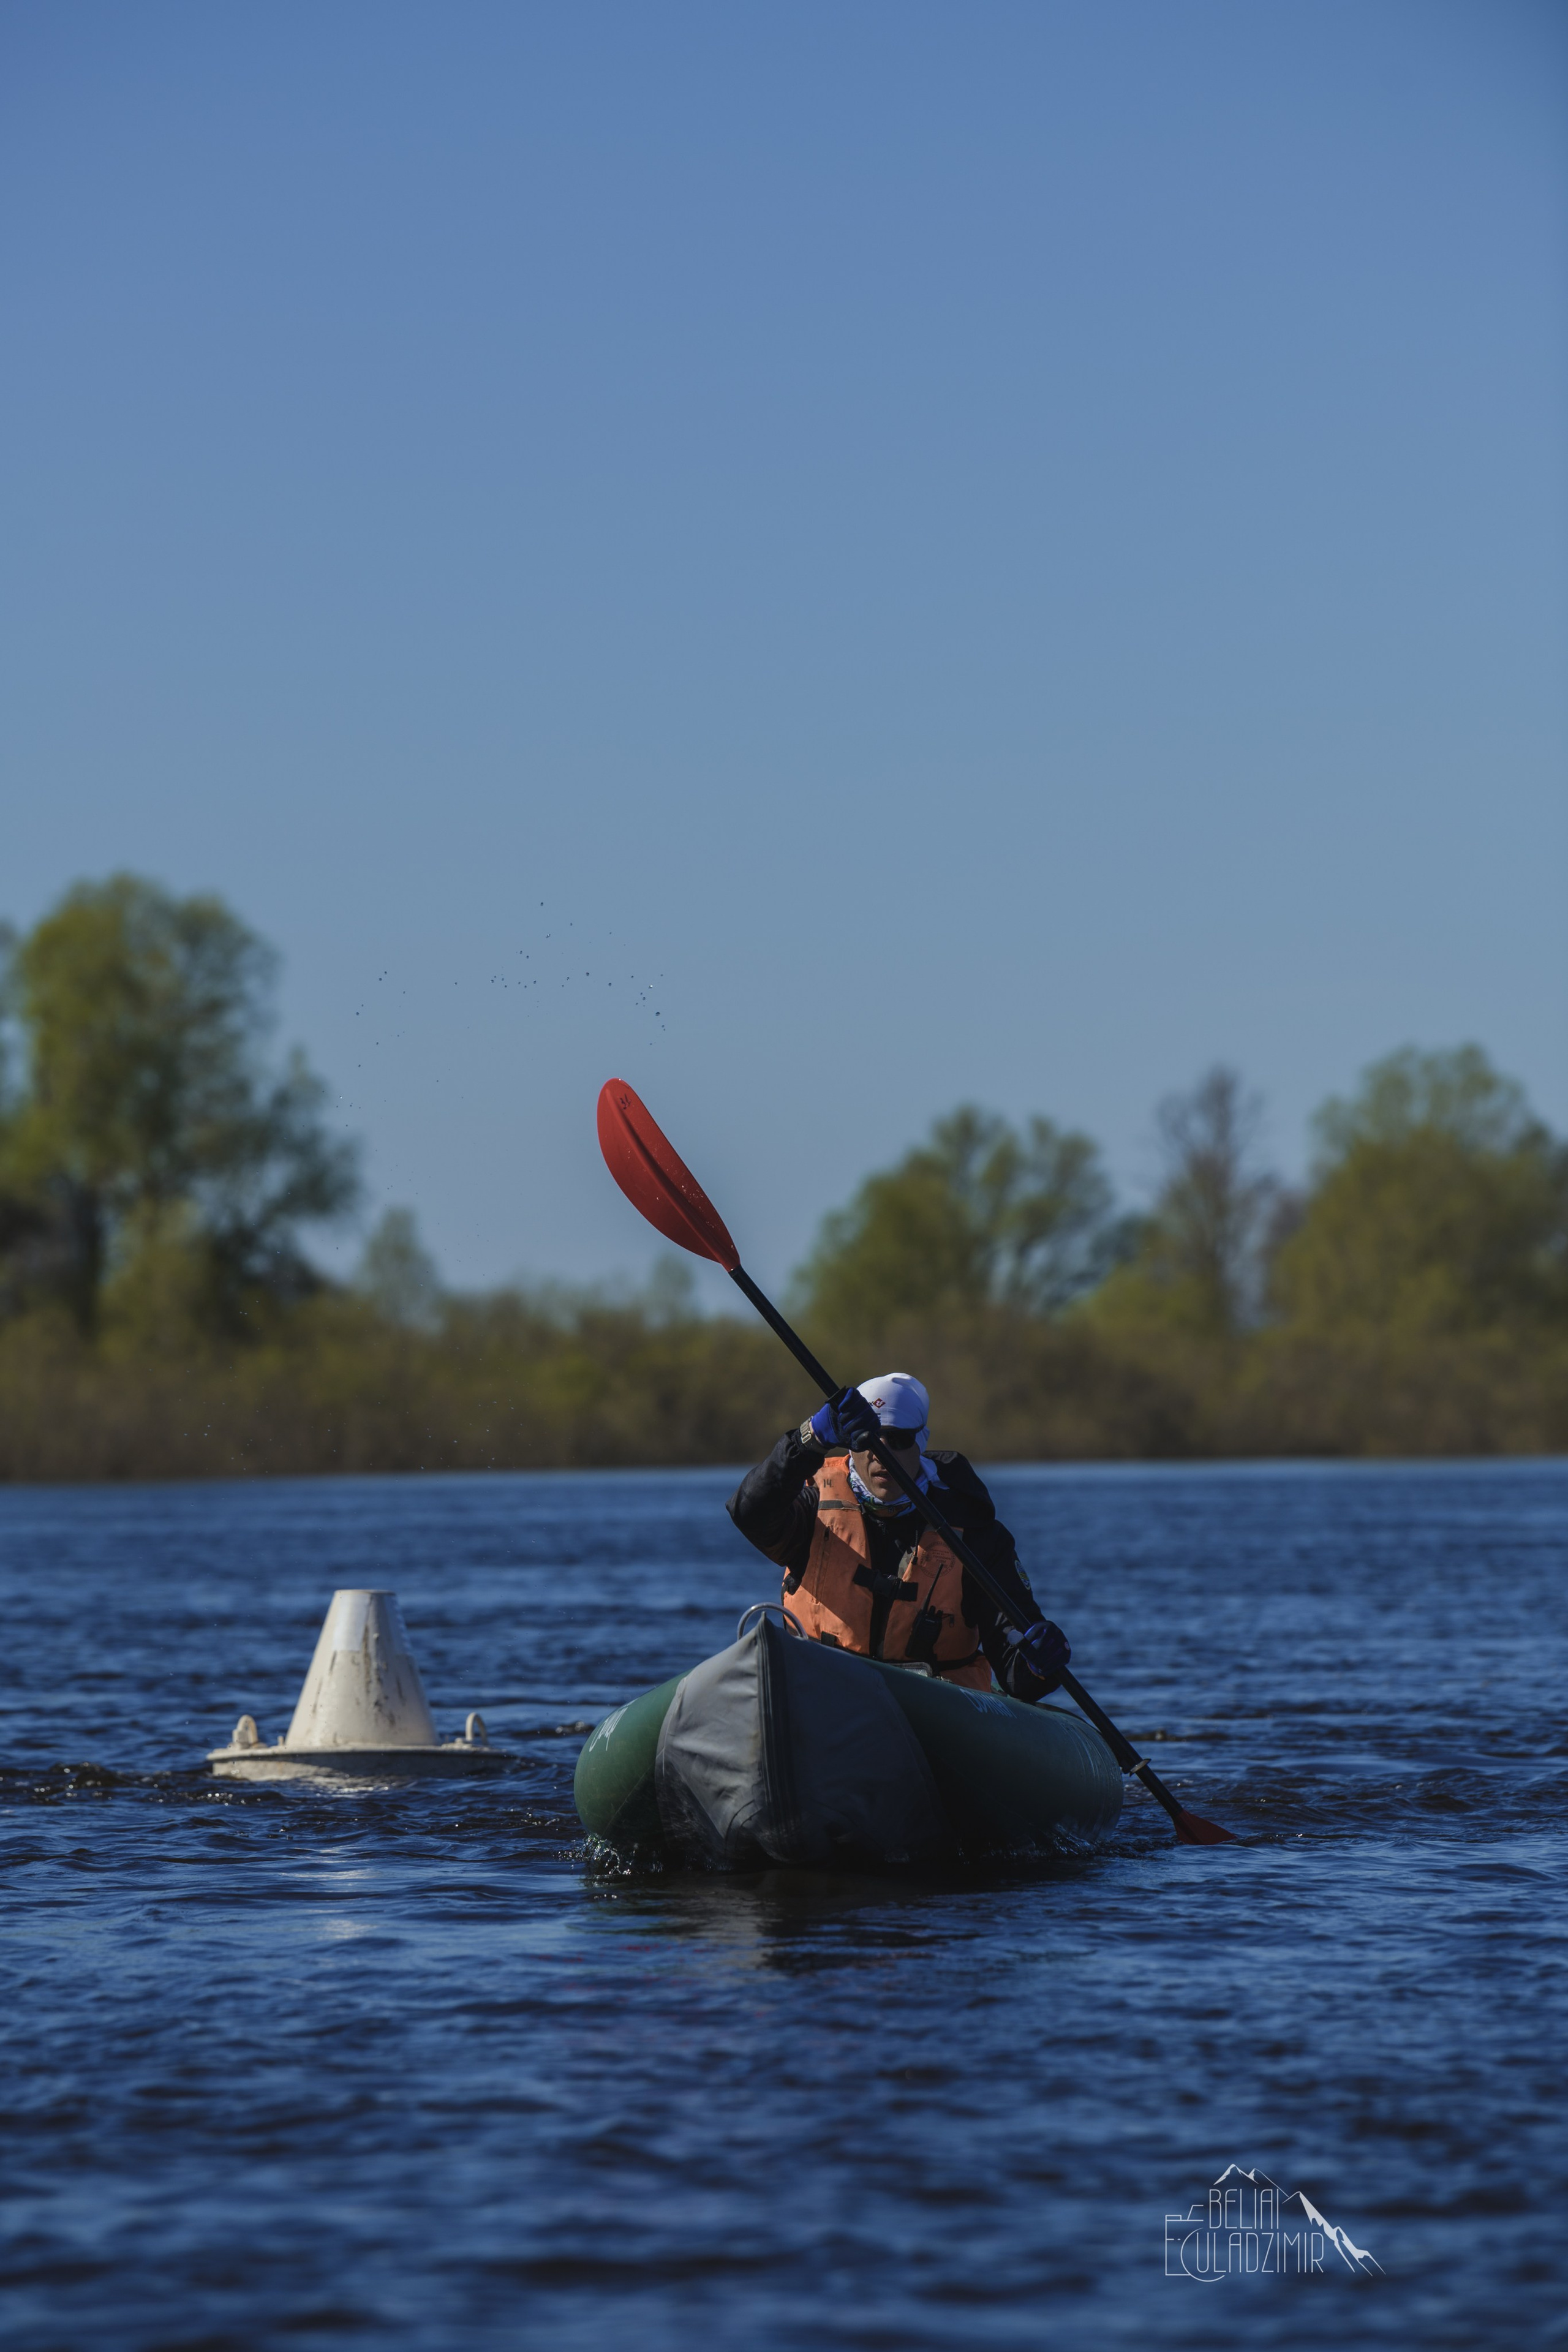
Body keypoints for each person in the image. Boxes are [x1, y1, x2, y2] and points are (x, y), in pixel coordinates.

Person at [726, 1371, 1071, 1702]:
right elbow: (749, 1513)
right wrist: (810, 1437)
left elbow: (1015, 1671)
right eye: (869, 1439)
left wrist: (1038, 1661)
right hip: (824, 1693)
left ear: (920, 1444)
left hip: (934, 1711)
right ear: (849, 1443)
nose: (882, 1452)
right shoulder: (810, 1504)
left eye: (899, 1440)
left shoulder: (976, 1535)